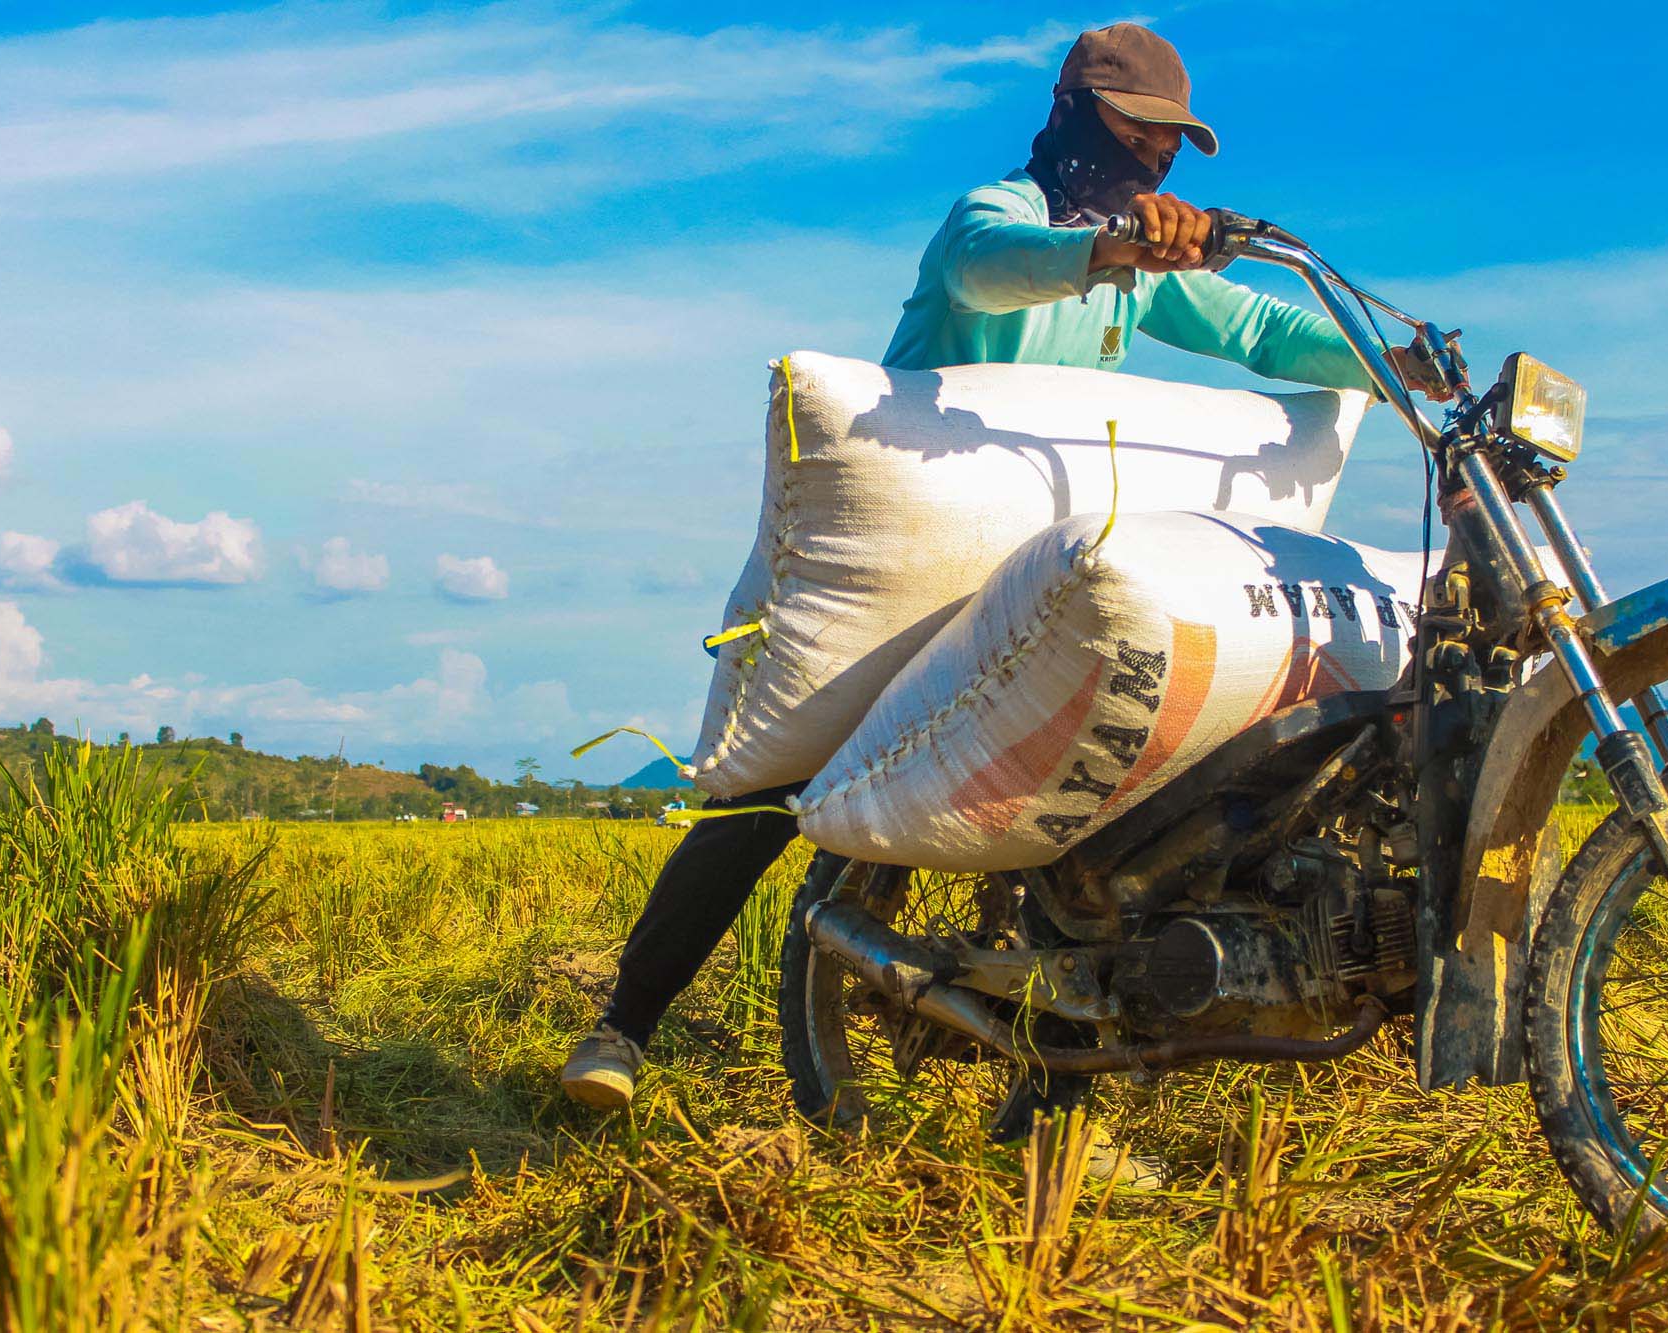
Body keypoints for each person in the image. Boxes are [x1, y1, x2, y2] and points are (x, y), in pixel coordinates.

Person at [562, 23, 1445, 1117]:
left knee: (1082, 813)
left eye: (1174, 147)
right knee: (769, 791)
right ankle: (622, 1025)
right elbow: (988, 277)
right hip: (898, 566)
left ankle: (1052, 1102)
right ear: (1077, 111)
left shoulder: (1142, 281)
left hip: (1025, 578)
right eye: (1141, 133)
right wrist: (1112, 250)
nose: (1159, 161)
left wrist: (1390, 360)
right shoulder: (998, 217)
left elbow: (1261, 329)